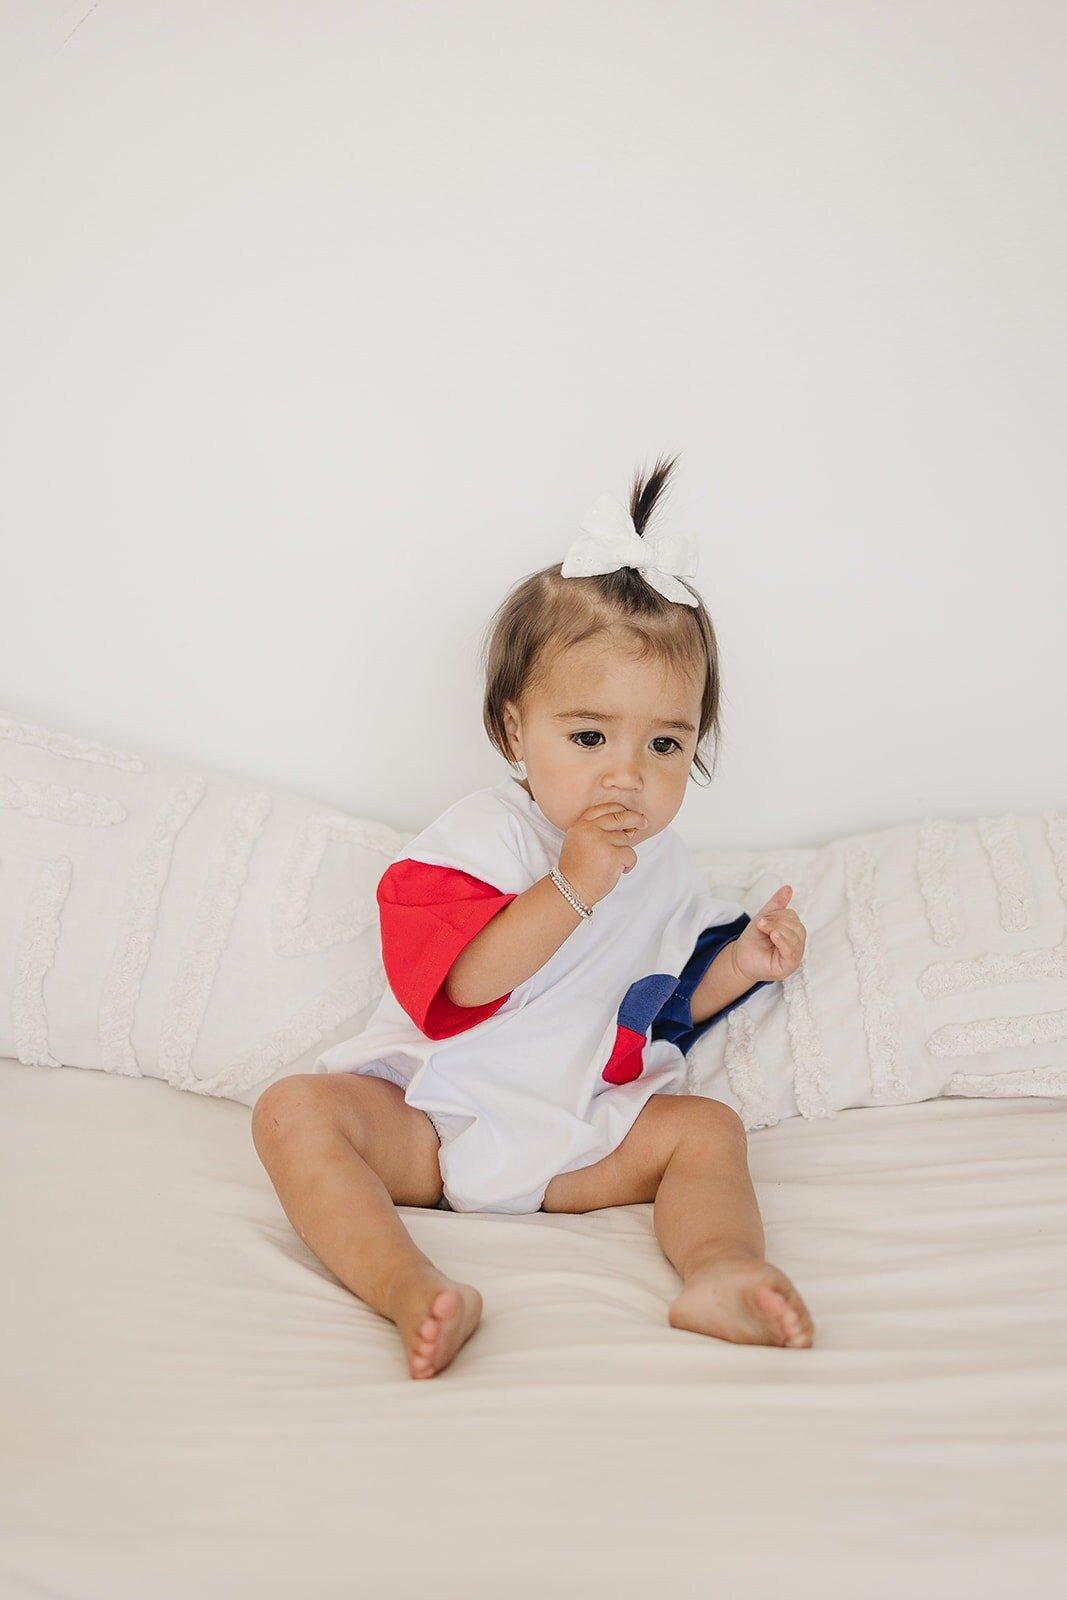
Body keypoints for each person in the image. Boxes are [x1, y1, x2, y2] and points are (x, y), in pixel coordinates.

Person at [251, 453, 815, 1379]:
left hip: (576, 1131)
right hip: (436, 1117)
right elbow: (466, 983)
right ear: (516, 730)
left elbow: (662, 1004)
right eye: (588, 736)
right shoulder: (482, 836)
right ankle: (406, 1285)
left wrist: (744, 963)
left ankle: (720, 1270)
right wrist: (570, 883)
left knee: (706, 1129)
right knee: (294, 1113)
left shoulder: (665, 868)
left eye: (663, 743)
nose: (625, 773)